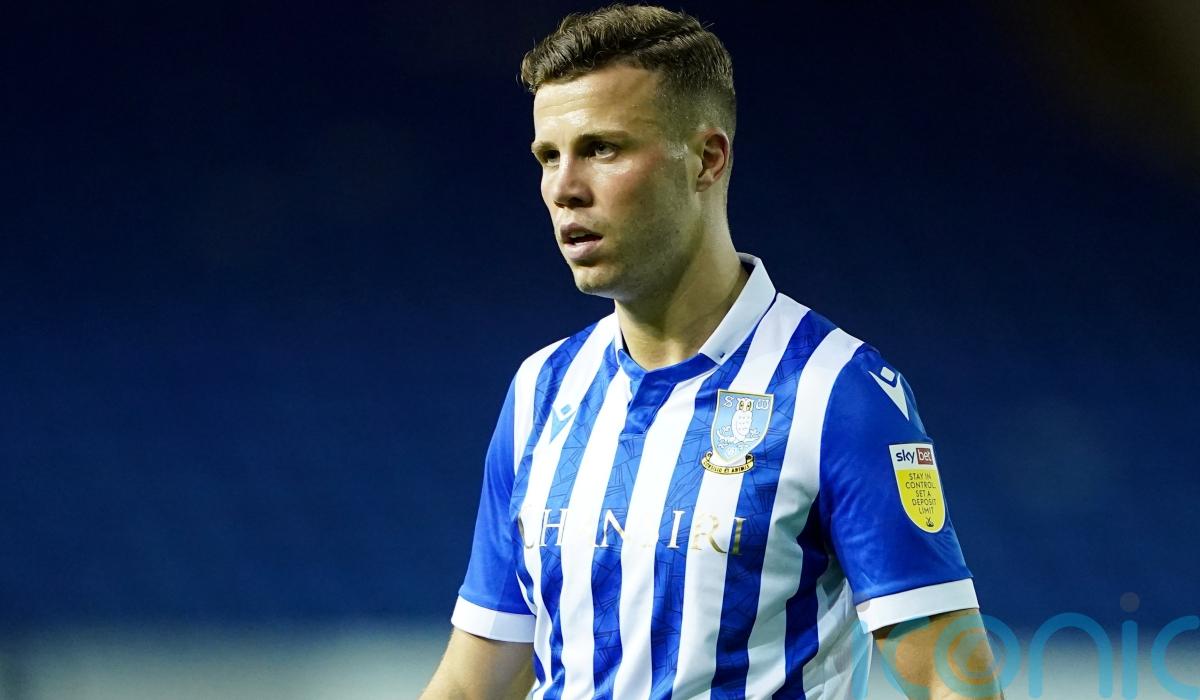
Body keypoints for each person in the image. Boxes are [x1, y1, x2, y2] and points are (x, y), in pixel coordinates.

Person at [421, 5, 1002, 698]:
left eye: (602, 149)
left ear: (707, 159)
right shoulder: (541, 389)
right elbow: (474, 683)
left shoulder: (835, 393)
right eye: (549, 156)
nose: (564, 189)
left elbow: (952, 682)